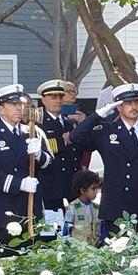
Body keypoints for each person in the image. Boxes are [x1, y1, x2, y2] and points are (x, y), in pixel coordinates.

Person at [70, 83, 138, 236]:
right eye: (127, 103)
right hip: (117, 205)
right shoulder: (106, 131)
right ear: (118, 106)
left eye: (136, 102)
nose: (133, 107)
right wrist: (100, 114)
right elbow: (76, 136)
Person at [0, 84, 53, 255]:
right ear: (1, 108)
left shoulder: (33, 132)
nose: (19, 108)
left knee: (33, 266)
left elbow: (50, 165)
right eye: (13, 104)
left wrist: (40, 155)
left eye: (21, 104)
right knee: (7, 265)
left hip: (31, 209)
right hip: (5, 211)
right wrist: (19, 184)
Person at [36, 80, 84, 211]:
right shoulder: (37, 123)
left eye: (60, 97)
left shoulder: (70, 121)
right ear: (44, 100)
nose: (58, 101)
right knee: (53, 225)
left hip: (72, 182)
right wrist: (62, 141)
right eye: (53, 98)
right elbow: (39, 149)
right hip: (51, 182)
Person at [64, 170, 102, 246]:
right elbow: (66, 231)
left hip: (95, 250)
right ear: (82, 190)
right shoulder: (72, 207)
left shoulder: (97, 208)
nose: (96, 191)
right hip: (78, 252)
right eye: (93, 189)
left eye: (97, 188)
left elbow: (102, 232)